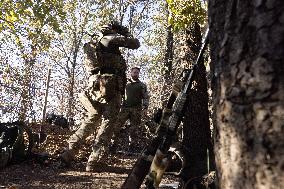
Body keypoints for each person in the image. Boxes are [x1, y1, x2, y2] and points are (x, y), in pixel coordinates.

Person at [60, 21, 140, 172]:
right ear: (112, 29)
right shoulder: (110, 38)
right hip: (110, 87)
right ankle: (95, 161)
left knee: (92, 118)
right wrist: (125, 32)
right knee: (109, 122)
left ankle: (68, 152)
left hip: (97, 86)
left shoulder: (96, 42)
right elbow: (135, 43)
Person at [112, 66, 149, 152]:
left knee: (134, 130)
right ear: (131, 73)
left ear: (139, 74)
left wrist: (145, 108)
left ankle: (132, 147)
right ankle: (113, 145)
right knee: (116, 127)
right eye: (134, 72)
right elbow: (118, 93)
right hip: (124, 109)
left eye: (137, 72)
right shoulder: (125, 84)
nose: (135, 74)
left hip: (136, 110)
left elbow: (146, 97)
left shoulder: (142, 85)